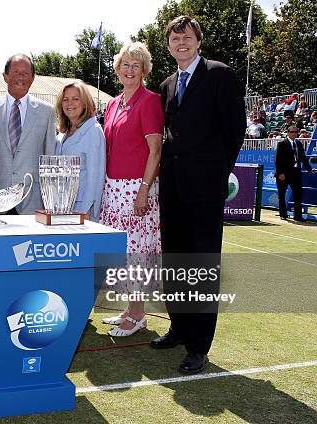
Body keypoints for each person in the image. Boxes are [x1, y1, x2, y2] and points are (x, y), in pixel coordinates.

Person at [153, 16, 246, 374]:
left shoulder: (220, 74)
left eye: (187, 37)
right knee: (175, 262)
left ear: (198, 42)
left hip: (204, 190)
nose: (181, 43)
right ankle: (179, 327)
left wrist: (214, 175)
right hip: (172, 188)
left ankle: (198, 346)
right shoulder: (167, 84)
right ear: (169, 45)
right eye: (175, 38)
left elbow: (234, 131)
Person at [98, 42, 164, 337]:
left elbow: (155, 151)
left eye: (136, 65)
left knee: (136, 253)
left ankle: (138, 315)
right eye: (125, 64)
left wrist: (144, 190)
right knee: (121, 254)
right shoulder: (113, 103)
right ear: (118, 68)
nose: (130, 70)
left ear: (144, 70)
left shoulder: (150, 101)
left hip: (136, 188)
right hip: (113, 189)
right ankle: (129, 308)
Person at [0, 54, 57, 214]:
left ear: (33, 78)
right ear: (5, 76)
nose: (20, 77)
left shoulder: (46, 111)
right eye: (15, 72)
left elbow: (50, 156)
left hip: (32, 198)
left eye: (25, 73)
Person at [54, 80, 105, 221]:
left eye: (75, 99)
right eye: (65, 99)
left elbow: (96, 175)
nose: (69, 103)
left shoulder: (93, 131)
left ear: (84, 103)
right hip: (61, 206)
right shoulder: (62, 134)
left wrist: (87, 209)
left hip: (82, 209)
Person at [275, 125, 315, 221]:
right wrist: (280, 173)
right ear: (288, 133)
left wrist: (309, 169)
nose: (294, 134)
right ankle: (283, 214)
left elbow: (303, 158)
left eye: (295, 132)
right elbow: (278, 160)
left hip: (296, 172)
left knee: (298, 194)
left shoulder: (299, 143)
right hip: (284, 172)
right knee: (282, 194)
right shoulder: (282, 144)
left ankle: (298, 216)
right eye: (292, 132)